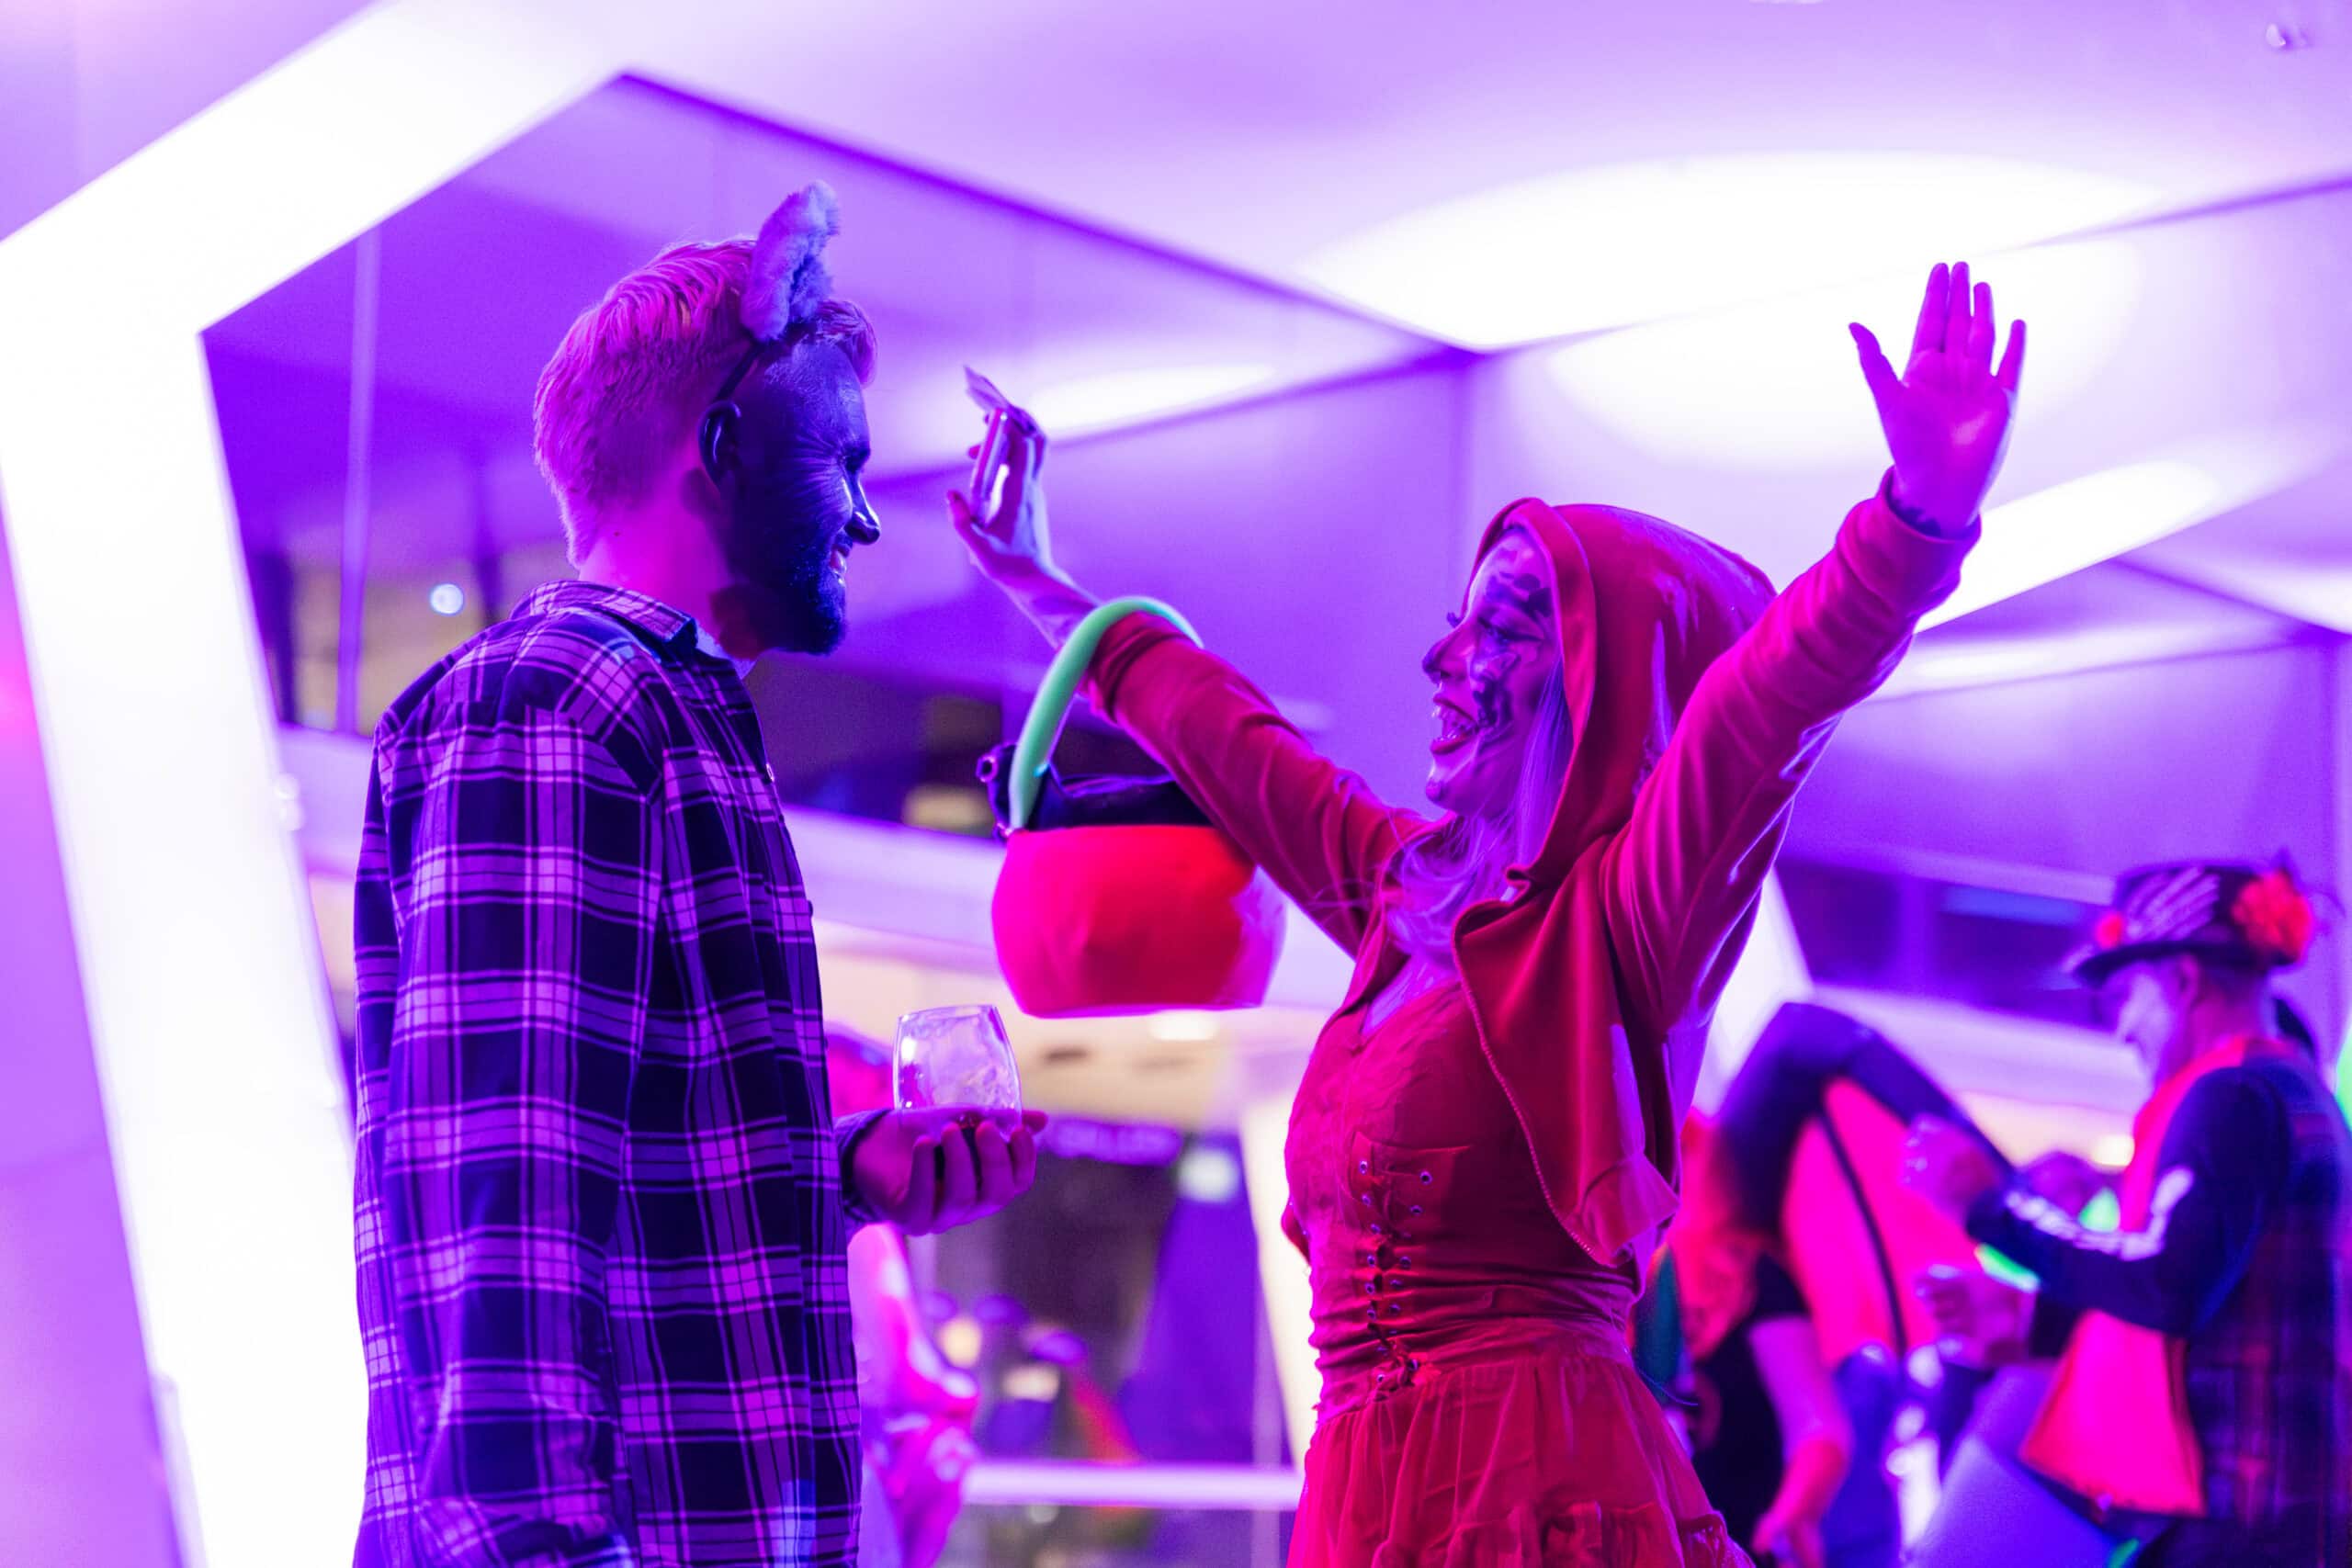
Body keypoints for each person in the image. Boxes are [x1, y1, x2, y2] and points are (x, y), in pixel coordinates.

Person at [957, 262, 2025, 1564]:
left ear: (1597, 682)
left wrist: (1916, 519)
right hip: (1369, 1497)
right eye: (1454, 622)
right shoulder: (1403, 891)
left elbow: (1760, 713)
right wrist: (1043, 587)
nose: (1442, 658)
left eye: (1503, 627)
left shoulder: (1624, 914)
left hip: (1537, 1491)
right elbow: (1234, 743)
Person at [349, 185, 1043, 1567]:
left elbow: (615, 1177)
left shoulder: (655, 712)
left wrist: (841, 1169)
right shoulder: (560, 701)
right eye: (842, 461)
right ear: (725, 444)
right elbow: (505, 1207)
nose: (862, 519)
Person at [1907, 861, 2352, 1567]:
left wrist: (1994, 1207)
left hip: (2240, 1526)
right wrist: (2033, 1319)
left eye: (2128, 995)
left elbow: (2168, 1281)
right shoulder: (2295, 1090)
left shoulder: (2231, 1094)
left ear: (2184, 981)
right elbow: (2216, 1307)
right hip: (2277, 1522)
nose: (2122, 1029)